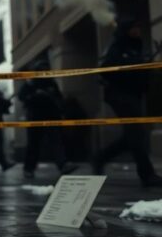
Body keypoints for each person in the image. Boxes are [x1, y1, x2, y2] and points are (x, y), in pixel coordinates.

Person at [93, 19, 161, 186]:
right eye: (134, 27)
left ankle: (100, 158)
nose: (138, 30)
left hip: (134, 95)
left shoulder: (135, 46)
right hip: (120, 96)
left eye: (138, 26)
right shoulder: (116, 46)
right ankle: (147, 174)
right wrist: (135, 64)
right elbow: (107, 68)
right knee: (136, 133)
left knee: (132, 135)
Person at [18, 60, 78, 180]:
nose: (44, 72)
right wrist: (35, 95)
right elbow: (22, 97)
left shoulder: (51, 83)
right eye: (41, 70)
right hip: (35, 116)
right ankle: (28, 168)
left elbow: (58, 98)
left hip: (51, 116)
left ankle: (62, 164)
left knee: (56, 141)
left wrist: (60, 110)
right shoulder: (31, 83)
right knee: (33, 144)